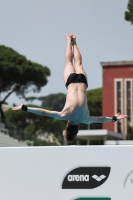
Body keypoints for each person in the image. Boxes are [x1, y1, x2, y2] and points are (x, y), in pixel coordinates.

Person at [12, 34, 128, 143]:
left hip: (82, 82)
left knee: (79, 64)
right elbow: (43, 112)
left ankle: (75, 42)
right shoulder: (64, 115)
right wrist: (25, 108)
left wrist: (114, 118)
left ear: (77, 127)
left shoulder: (86, 119)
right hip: (71, 82)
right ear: (67, 125)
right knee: (68, 63)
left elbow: (101, 119)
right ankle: (68, 40)